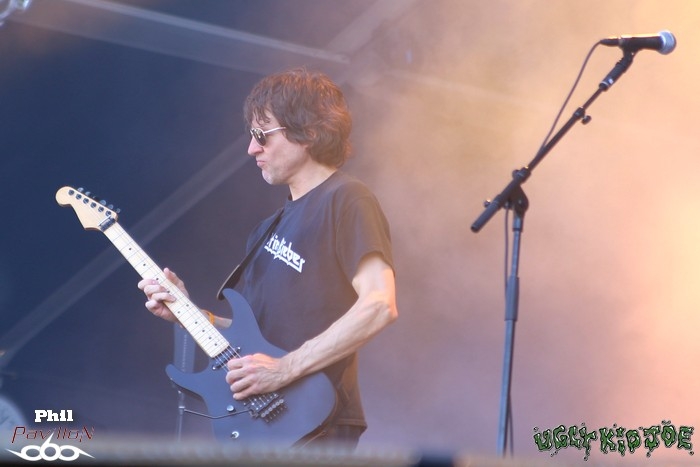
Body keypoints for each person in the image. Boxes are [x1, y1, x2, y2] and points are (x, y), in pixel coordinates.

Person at [137, 68, 398, 448]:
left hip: (316, 421)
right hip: (264, 424)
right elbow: (255, 337)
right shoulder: (265, 230)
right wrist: (189, 312)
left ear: (308, 132)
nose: (251, 149)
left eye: (262, 135)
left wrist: (285, 369)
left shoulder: (347, 199)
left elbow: (379, 305)